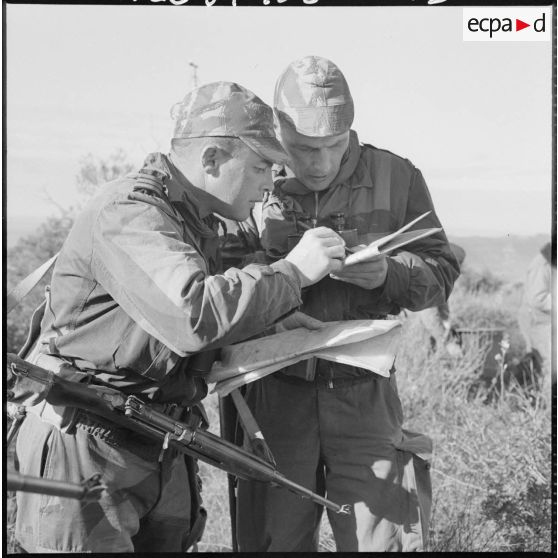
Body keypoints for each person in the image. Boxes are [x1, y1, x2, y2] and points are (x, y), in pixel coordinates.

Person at [13, 81, 347, 553]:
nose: (269, 182)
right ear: (211, 160)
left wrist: (271, 324)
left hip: (156, 441)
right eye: (259, 166)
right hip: (86, 448)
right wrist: (292, 274)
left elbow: (160, 331)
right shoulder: (130, 211)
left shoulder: (193, 219)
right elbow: (191, 315)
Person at [233, 56, 460, 552]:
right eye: (301, 148)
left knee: (382, 542)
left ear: (351, 129)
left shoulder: (397, 177)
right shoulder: (249, 175)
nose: (318, 163)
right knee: (272, 542)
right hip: (272, 396)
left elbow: (441, 273)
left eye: (333, 146)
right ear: (278, 132)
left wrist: (388, 275)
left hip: (365, 397)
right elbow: (216, 280)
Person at [417, 242, 466, 356]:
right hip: (419, 346)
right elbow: (429, 316)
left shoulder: (440, 282)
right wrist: (448, 342)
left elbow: (443, 314)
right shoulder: (430, 281)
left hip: (428, 344)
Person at [517, 241, 553, 391]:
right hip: (537, 320)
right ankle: (545, 405)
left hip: (546, 319)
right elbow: (537, 299)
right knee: (549, 363)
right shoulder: (542, 265)